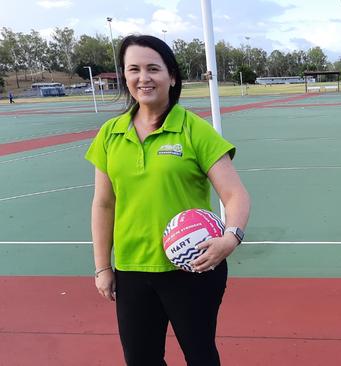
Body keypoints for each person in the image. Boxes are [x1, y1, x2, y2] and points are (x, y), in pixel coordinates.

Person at [85, 35, 250, 366]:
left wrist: (230, 239)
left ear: (171, 76)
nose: (143, 78)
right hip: (131, 270)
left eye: (152, 68)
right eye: (134, 69)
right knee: (141, 359)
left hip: (192, 268)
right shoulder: (110, 133)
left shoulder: (193, 129)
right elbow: (104, 204)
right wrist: (103, 266)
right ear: (125, 75)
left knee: (200, 356)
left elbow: (235, 194)